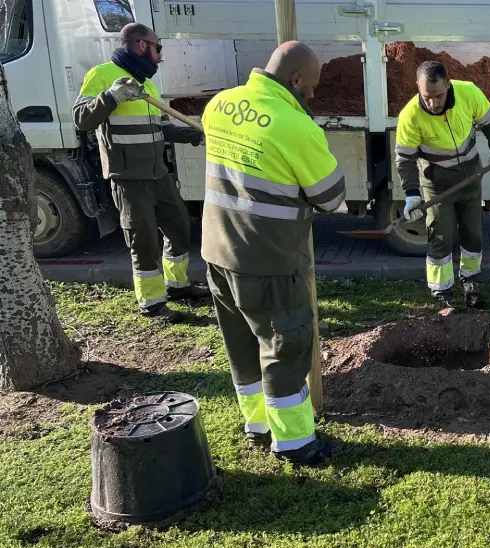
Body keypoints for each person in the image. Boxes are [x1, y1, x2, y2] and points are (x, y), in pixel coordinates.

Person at [201, 42, 347, 465]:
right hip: (266, 260)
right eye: (313, 87)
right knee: (285, 346)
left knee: (243, 346)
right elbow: (331, 197)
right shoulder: (296, 127)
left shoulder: (220, 105)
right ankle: (296, 443)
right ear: (296, 80)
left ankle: (258, 425)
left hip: (217, 251)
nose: (314, 96)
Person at [73, 23, 207, 322]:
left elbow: (162, 128)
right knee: (143, 241)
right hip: (128, 177)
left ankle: (178, 286)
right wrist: (111, 96)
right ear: (140, 44)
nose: (160, 55)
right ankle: (152, 303)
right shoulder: (102, 75)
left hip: (158, 173)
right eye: (158, 47)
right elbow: (81, 119)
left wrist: (197, 135)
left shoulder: (146, 83)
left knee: (179, 228)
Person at [395, 61, 490, 308]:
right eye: (427, 97)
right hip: (437, 186)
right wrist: (412, 195)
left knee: (473, 234)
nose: (433, 103)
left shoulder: (468, 92)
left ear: (448, 85)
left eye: (438, 95)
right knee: (440, 235)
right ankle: (441, 292)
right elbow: (405, 159)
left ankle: (471, 281)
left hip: (470, 179)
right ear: (418, 87)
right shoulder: (410, 116)